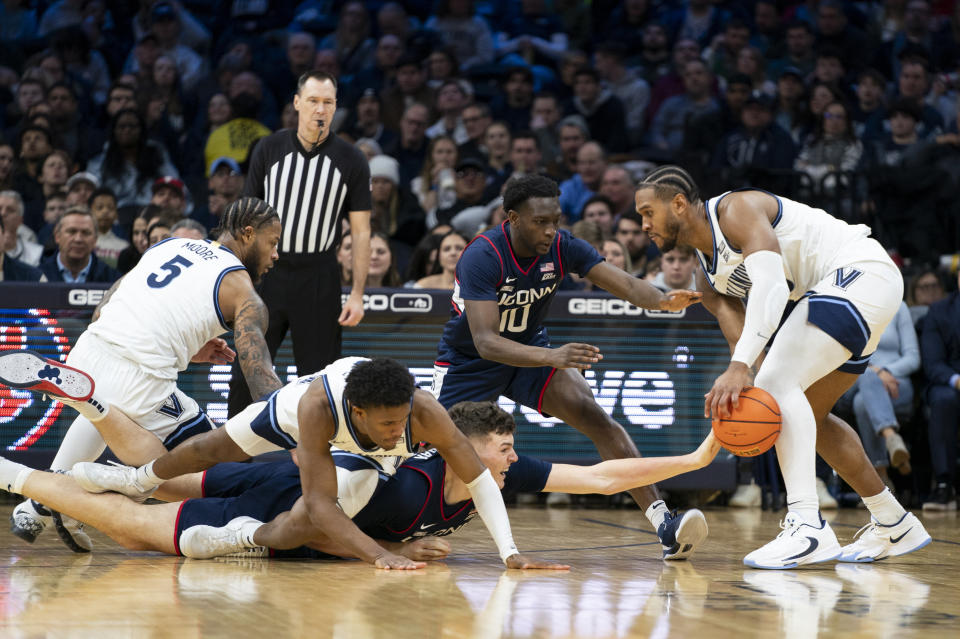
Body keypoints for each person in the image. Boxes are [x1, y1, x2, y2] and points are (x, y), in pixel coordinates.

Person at [633, 165, 931, 568]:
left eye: (648, 212)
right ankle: (894, 520)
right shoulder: (706, 277)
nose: (643, 223)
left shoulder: (735, 210)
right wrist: (746, 376)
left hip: (859, 272)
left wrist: (745, 370)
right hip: (849, 294)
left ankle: (807, 526)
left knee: (779, 381)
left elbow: (772, 287)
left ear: (680, 204)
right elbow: (744, 343)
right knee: (806, 412)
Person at [0, 401, 720, 562]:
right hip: (288, 492)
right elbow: (327, 514)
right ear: (462, 446)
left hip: (290, 492)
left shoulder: (490, 475)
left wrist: (690, 461)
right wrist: (383, 555)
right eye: (503, 444)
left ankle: (89, 406)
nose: (514, 454)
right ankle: (17, 471)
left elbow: (598, 475)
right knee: (135, 511)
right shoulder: (415, 474)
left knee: (148, 485)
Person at [431, 174, 707, 560]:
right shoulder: (483, 255)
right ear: (512, 218)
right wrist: (552, 356)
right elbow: (486, 341)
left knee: (596, 417)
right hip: (470, 362)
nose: (549, 230)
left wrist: (662, 301)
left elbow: (625, 285)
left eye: (554, 220)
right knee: (434, 454)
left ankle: (664, 524)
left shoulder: (562, 247)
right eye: (539, 221)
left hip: (530, 348)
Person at [62, 357, 561, 570]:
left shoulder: (423, 412)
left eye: (400, 423)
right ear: (361, 413)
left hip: (361, 455)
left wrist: (510, 552)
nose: (397, 432)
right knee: (209, 448)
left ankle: (241, 537)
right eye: (387, 424)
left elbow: (478, 479)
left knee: (347, 491)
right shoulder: (316, 409)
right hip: (297, 417)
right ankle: (138, 477)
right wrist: (377, 555)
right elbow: (322, 504)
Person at [2, 197, 284, 552]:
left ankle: (37, 508)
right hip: (137, 376)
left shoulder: (171, 245)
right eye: (272, 243)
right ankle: (59, 497)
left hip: (89, 350)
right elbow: (258, 371)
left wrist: (189, 348)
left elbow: (111, 300)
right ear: (248, 234)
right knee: (207, 459)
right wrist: (289, 420)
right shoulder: (242, 289)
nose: (275, 255)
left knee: (103, 409)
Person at [226, 70, 372, 418]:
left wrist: (357, 293)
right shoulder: (269, 148)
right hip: (267, 274)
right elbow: (245, 219)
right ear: (297, 103)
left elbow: (362, 231)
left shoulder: (352, 159)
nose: (320, 110)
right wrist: (237, 277)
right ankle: (230, 463)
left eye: (328, 102)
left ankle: (315, 460)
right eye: (313, 101)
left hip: (320, 275)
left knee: (321, 379)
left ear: (336, 107)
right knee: (247, 368)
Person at [835, 301, 918, 482]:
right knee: (866, 374)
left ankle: (881, 478)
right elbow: (840, 356)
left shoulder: (898, 306)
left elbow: (913, 357)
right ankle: (891, 437)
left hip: (896, 382)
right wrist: (876, 372)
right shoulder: (846, 305)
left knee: (862, 403)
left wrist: (886, 372)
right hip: (852, 380)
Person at [919, 267, 960, 511]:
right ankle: (945, 484)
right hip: (951, 381)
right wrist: (956, 380)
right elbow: (933, 364)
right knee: (943, 399)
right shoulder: (939, 311)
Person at [40, 207, 121, 284]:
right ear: (57, 236)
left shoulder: (113, 279)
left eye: (86, 233)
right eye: (72, 231)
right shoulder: (37, 276)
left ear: (95, 240)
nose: (78, 239)